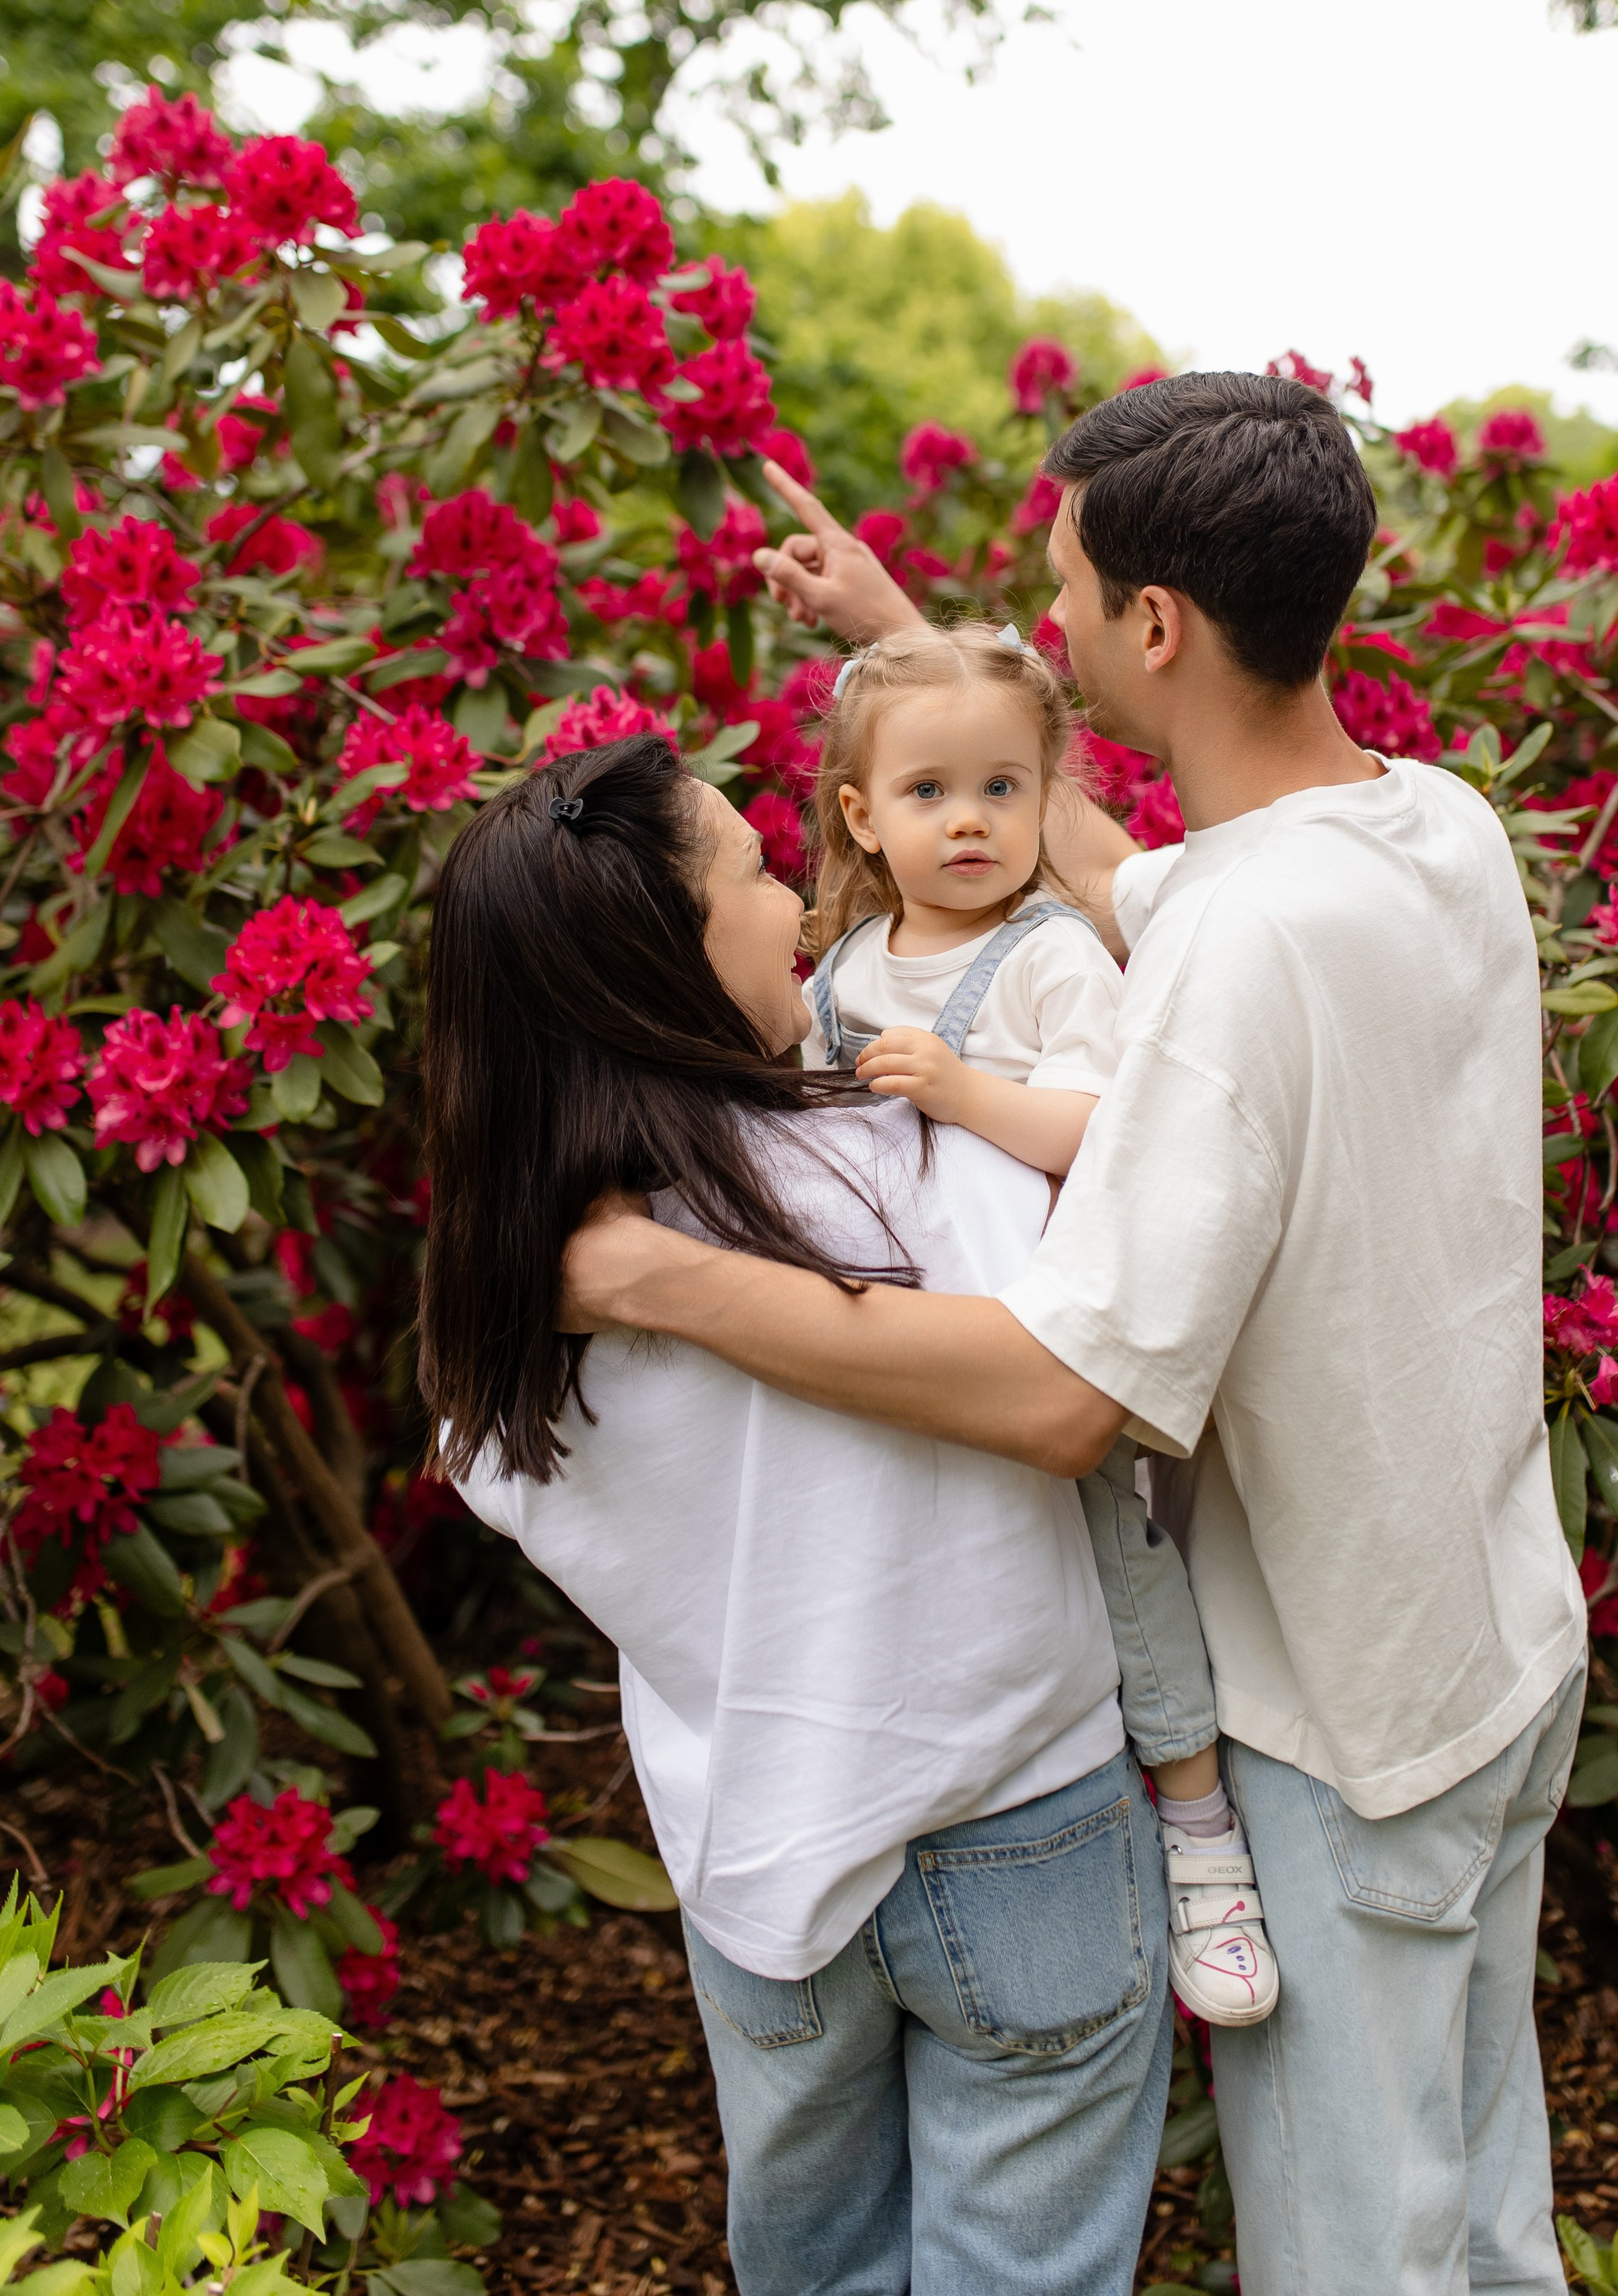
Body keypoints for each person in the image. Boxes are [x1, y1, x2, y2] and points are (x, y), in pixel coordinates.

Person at [561, 373, 1590, 2296]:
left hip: (1336, 1718)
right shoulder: (1419, 827)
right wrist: (899, 639)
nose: (1043, 622)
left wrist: (650, 1279)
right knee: (1485, 2233)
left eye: (1058, 594)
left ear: (1153, 629)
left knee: (1365, 2267)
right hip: (1498, 1636)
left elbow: (1064, 1397)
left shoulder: (1235, 950)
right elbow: (1141, 878)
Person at [416, 735, 1172, 2296]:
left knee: (810, 2271)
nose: (802, 913)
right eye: (757, 875)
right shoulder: (894, 1165)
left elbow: (513, 1485)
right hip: (1013, 1812)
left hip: (758, 1852)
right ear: (662, 962)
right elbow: (1076, 1380)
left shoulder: (512, 1295)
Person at [804, 616, 1279, 2023]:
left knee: (1116, 1568)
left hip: (1034, 1343)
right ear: (861, 817)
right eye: (929, 793)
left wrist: (963, 1093)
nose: (969, 821)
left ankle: (1201, 1841)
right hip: (892, 1356)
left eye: (1003, 789)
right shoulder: (838, 965)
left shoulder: (1050, 958)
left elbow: (1104, 1126)